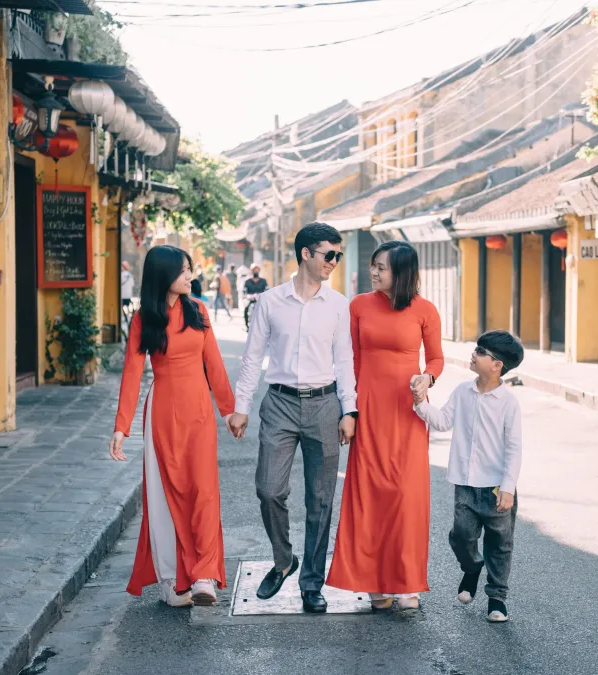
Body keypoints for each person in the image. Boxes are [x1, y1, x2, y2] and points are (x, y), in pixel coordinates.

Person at [227, 222, 357, 614]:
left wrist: (349, 409)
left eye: (337, 255)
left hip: (323, 404)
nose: (333, 262)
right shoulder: (269, 301)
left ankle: (311, 584)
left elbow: (344, 360)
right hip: (280, 404)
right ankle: (284, 559)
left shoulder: (338, 305)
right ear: (305, 254)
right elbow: (252, 357)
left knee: (320, 500)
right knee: (269, 490)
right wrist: (241, 406)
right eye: (327, 255)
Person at [109, 245, 235, 608]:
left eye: (190, 269)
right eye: (183, 271)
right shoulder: (143, 320)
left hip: (198, 412)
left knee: (204, 490)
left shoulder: (198, 311)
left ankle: (204, 575)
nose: (190, 275)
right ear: (163, 275)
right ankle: (171, 578)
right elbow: (132, 375)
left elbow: (214, 364)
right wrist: (122, 427)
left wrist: (228, 412)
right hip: (162, 413)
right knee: (166, 496)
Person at [326, 240, 444, 611]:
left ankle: (406, 581)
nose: (373, 272)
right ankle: (375, 581)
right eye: (373, 265)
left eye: (382, 267)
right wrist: (350, 411)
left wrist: (428, 378)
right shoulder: (359, 305)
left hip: (408, 412)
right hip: (370, 410)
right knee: (370, 493)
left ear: (403, 273)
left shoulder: (425, 310)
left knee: (406, 496)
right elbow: (351, 362)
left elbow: (437, 358)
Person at [412, 330, 524, 623]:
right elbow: (442, 421)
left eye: (481, 351)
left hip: (496, 487)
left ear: (496, 365)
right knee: (461, 536)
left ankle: (497, 599)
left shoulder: (508, 402)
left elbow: (514, 448)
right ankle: (472, 566)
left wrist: (508, 488)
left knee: (500, 545)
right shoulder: (463, 391)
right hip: (465, 483)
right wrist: (421, 402)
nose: (474, 354)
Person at [242, 265, 269, 331]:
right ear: (251, 271)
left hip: (261, 299)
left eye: (257, 270)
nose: (256, 271)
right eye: (254, 270)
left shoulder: (263, 281)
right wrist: (247, 295)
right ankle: (247, 325)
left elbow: (267, 289)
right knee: (246, 309)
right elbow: (244, 291)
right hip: (250, 299)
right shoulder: (247, 281)